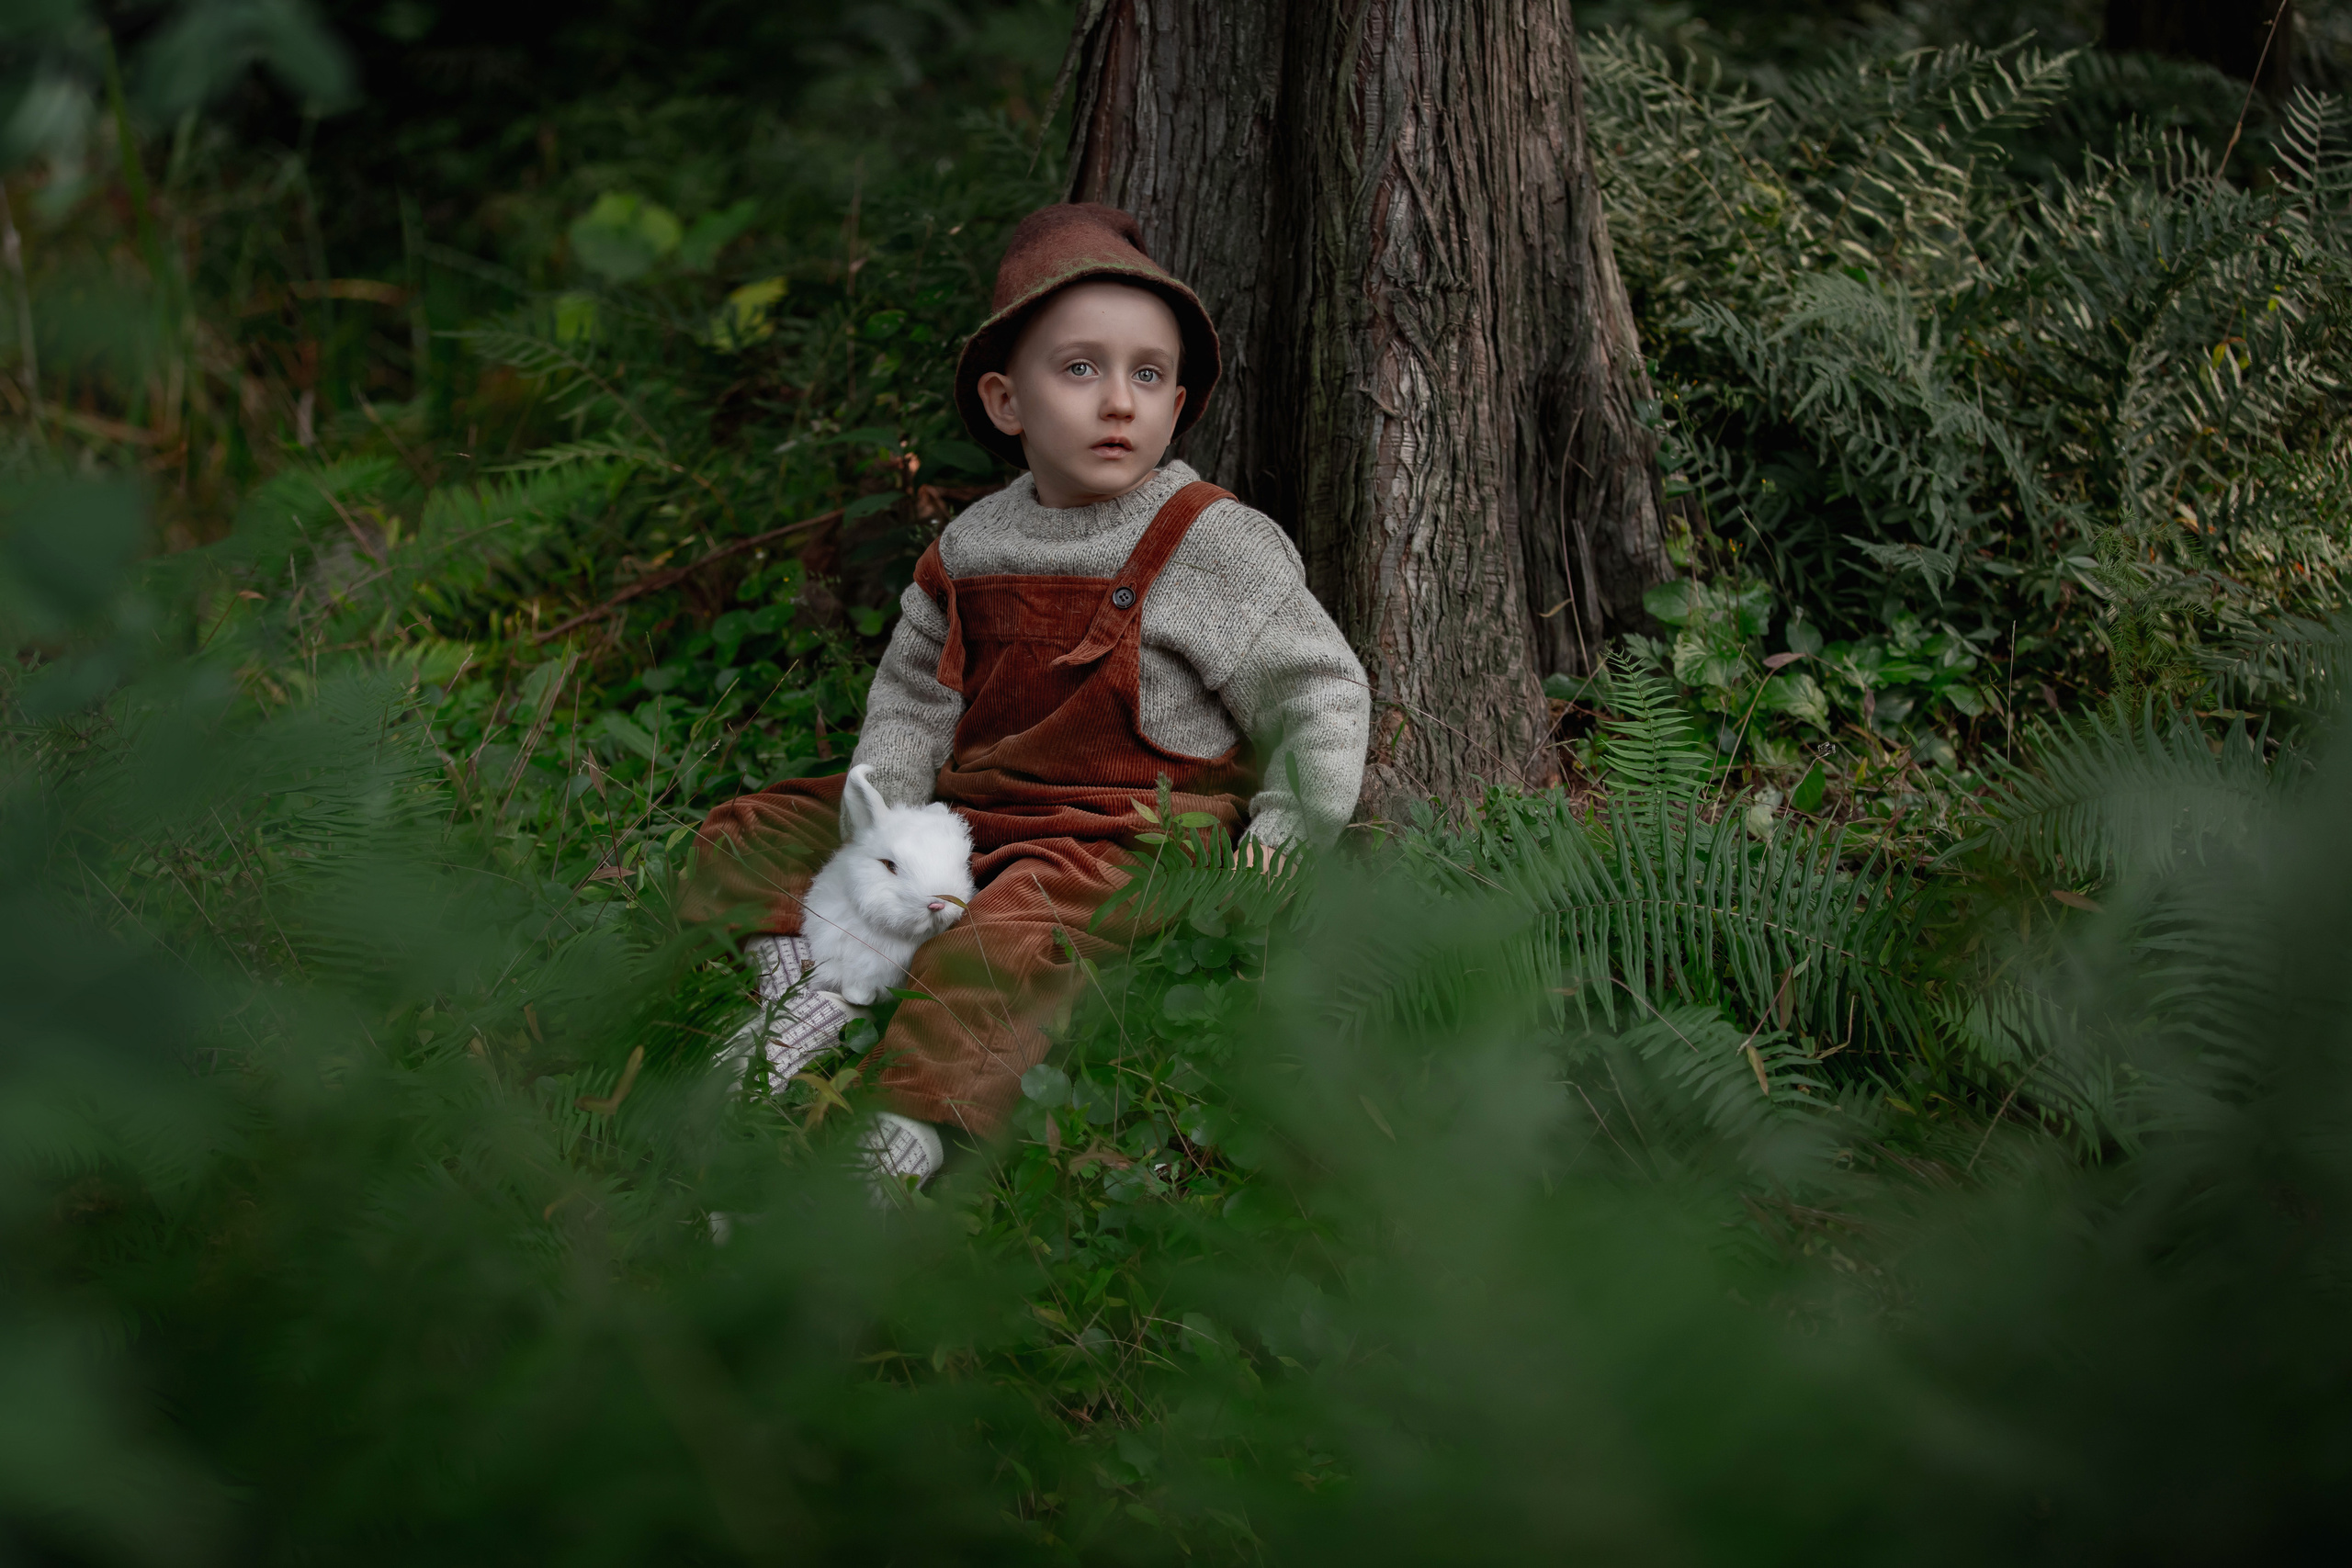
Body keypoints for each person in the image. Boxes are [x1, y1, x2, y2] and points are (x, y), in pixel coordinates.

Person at [685, 202, 1371, 1191]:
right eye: (1081, 368)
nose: (1119, 402)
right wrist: (885, 804)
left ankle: (900, 1139)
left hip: (1122, 834)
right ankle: (809, 989)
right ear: (1007, 402)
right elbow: (914, 692)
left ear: (1179, 402)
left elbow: (1319, 690)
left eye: (1149, 375)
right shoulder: (971, 545)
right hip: (973, 812)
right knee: (756, 826)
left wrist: (1285, 834)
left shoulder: (1212, 541)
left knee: (999, 951)